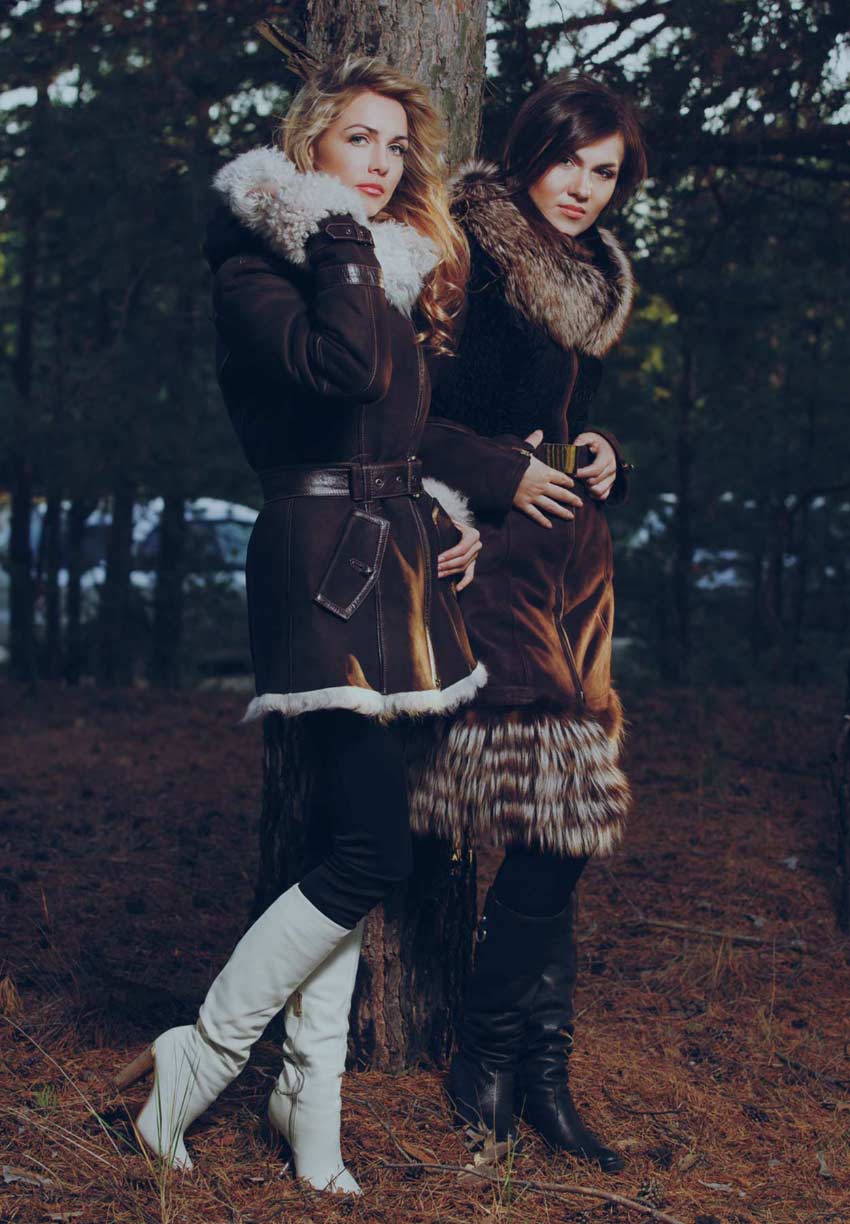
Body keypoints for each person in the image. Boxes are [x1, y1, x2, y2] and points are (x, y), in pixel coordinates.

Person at [115, 55, 485, 1197]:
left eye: (395, 147)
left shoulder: (382, 266)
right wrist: (336, 237)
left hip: (394, 566)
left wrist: (447, 507)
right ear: (309, 145)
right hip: (319, 567)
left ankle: (308, 1098)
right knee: (372, 849)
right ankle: (202, 1056)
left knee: (346, 843)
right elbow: (344, 371)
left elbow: (397, 429)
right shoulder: (260, 266)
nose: (380, 165)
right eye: (356, 140)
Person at [409, 74, 648, 1172]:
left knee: (569, 824)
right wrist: (502, 470)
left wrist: (602, 453)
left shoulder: (584, 277)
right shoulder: (467, 249)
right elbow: (405, 415)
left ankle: (540, 1071)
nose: (584, 187)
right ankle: (488, 1059)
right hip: (491, 557)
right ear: (530, 149)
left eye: (605, 172)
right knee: (560, 818)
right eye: (569, 161)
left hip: (573, 570)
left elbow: (566, 418)